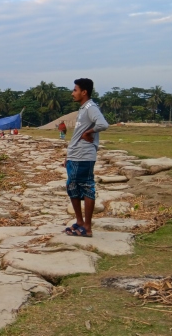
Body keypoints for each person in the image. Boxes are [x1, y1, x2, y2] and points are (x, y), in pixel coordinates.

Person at [63, 78, 108, 238]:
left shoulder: (90, 107)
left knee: (87, 187)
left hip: (84, 155)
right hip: (75, 155)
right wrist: (68, 155)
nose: (72, 93)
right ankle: (79, 222)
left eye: (75, 90)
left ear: (84, 92)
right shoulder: (83, 108)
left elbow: (103, 124)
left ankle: (87, 227)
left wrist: (89, 132)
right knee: (72, 187)